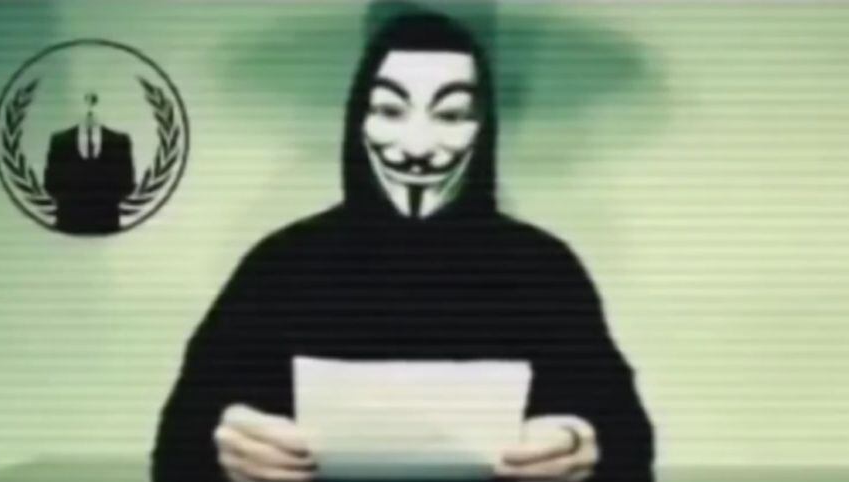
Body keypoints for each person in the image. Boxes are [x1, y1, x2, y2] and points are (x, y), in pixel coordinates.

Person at [152, 12, 653, 482]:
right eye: (391, 110)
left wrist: (582, 446)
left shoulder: (542, 270)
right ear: (358, 119)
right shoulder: (282, 266)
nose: (417, 147)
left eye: (451, 114)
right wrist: (223, 448)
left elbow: (627, 443)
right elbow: (177, 450)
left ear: (484, 128)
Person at [44, 92, 136, 234]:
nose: (90, 108)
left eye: (94, 102)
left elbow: (127, 184)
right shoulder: (59, 140)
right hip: (68, 226)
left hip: (107, 226)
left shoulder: (120, 140)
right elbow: (51, 184)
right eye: (86, 102)